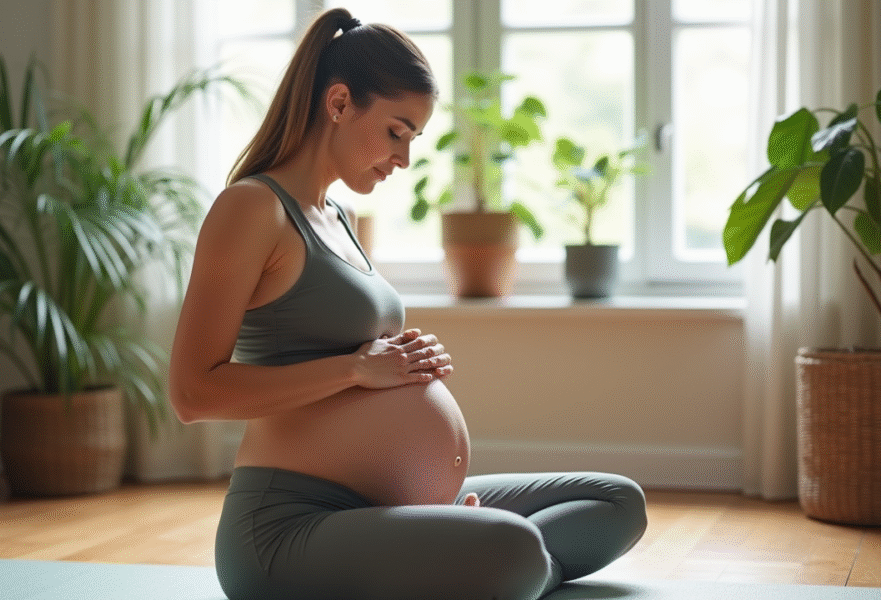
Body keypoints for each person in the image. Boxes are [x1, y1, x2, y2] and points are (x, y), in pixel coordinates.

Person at [169, 8, 647, 600]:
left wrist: (395, 361)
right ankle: (485, 558)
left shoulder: (338, 218)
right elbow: (193, 393)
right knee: (515, 548)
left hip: (386, 504)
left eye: (413, 139)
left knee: (616, 501)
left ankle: (470, 556)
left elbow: (351, 354)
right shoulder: (251, 209)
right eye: (397, 131)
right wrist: (357, 369)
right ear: (339, 103)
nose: (404, 158)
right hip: (288, 528)